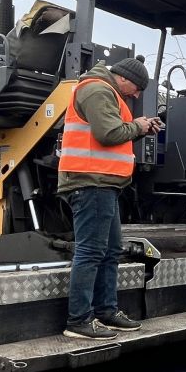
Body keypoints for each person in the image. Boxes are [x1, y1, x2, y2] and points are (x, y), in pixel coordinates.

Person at [58, 57, 162, 340]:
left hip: (103, 184)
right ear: (125, 78)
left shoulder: (106, 92)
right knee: (91, 251)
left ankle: (106, 311)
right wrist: (138, 127)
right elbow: (108, 133)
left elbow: (114, 136)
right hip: (90, 182)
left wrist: (139, 130)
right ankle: (78, 320)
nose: (137, 94)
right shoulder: (97, 90)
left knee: (111, 249)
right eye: (137, 88)